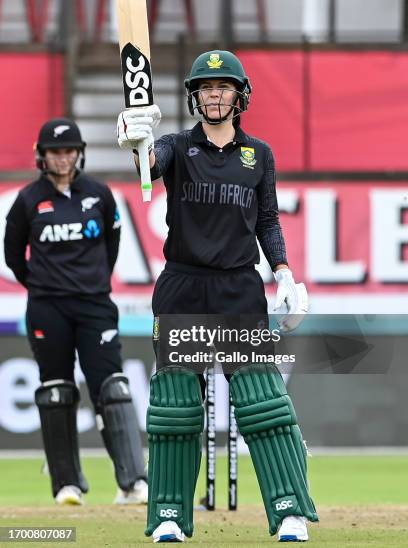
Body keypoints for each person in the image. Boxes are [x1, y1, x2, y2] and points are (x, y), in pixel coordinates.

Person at [117, 50, 318, 542]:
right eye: (206, 88)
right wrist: (138, 141)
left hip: (238, 288)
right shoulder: (176, 147)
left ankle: (289, 510)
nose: (214, 95)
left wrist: (285, 274)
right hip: (183, 287)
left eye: (223, 87)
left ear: (239, 95)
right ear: (194, 96)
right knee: (176, 406)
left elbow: (267, 220)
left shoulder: (259, 155)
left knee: (262, 401)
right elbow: (149, 166)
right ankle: (168, 515)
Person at [4, 118, 148, 506]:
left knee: (113, 387)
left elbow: (112, 243)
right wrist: (42, 284)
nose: (63, 158)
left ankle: (132, 481)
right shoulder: (28, 200)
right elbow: (13, 255)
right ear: (42, 156)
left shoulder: (99, 195)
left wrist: (93, 280)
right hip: (47, 307)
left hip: (94, 305)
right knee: (56, 392)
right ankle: (67, 484)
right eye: (55, 152)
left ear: (79, 153)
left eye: (68, 151)